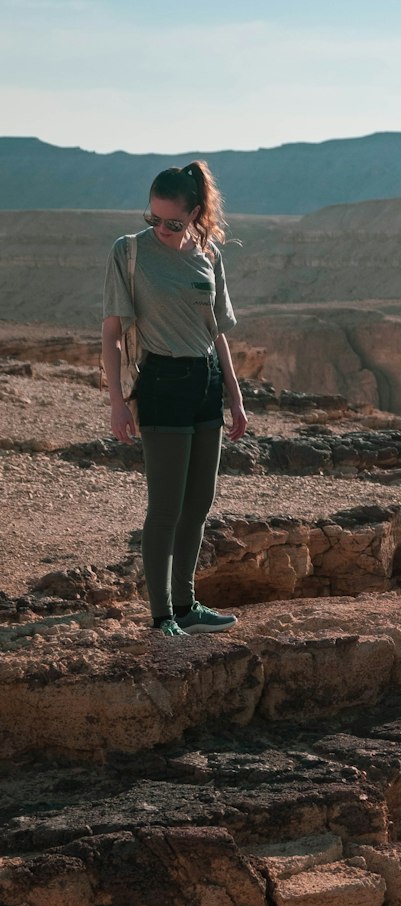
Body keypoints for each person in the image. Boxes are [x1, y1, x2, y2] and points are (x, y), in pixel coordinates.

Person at [101, 160, 248, 636]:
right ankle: (162, 615)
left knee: (199, 502)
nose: (162, 229)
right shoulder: (130, 253)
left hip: (205, 381)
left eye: (173, 222)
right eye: (154, 219)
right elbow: (111, 335)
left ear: (195, 213)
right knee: (164, 505)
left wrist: (235, 394)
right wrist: (117, 402)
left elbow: (217, 333)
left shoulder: (209, 254)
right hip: (161, 381)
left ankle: (187, 605)